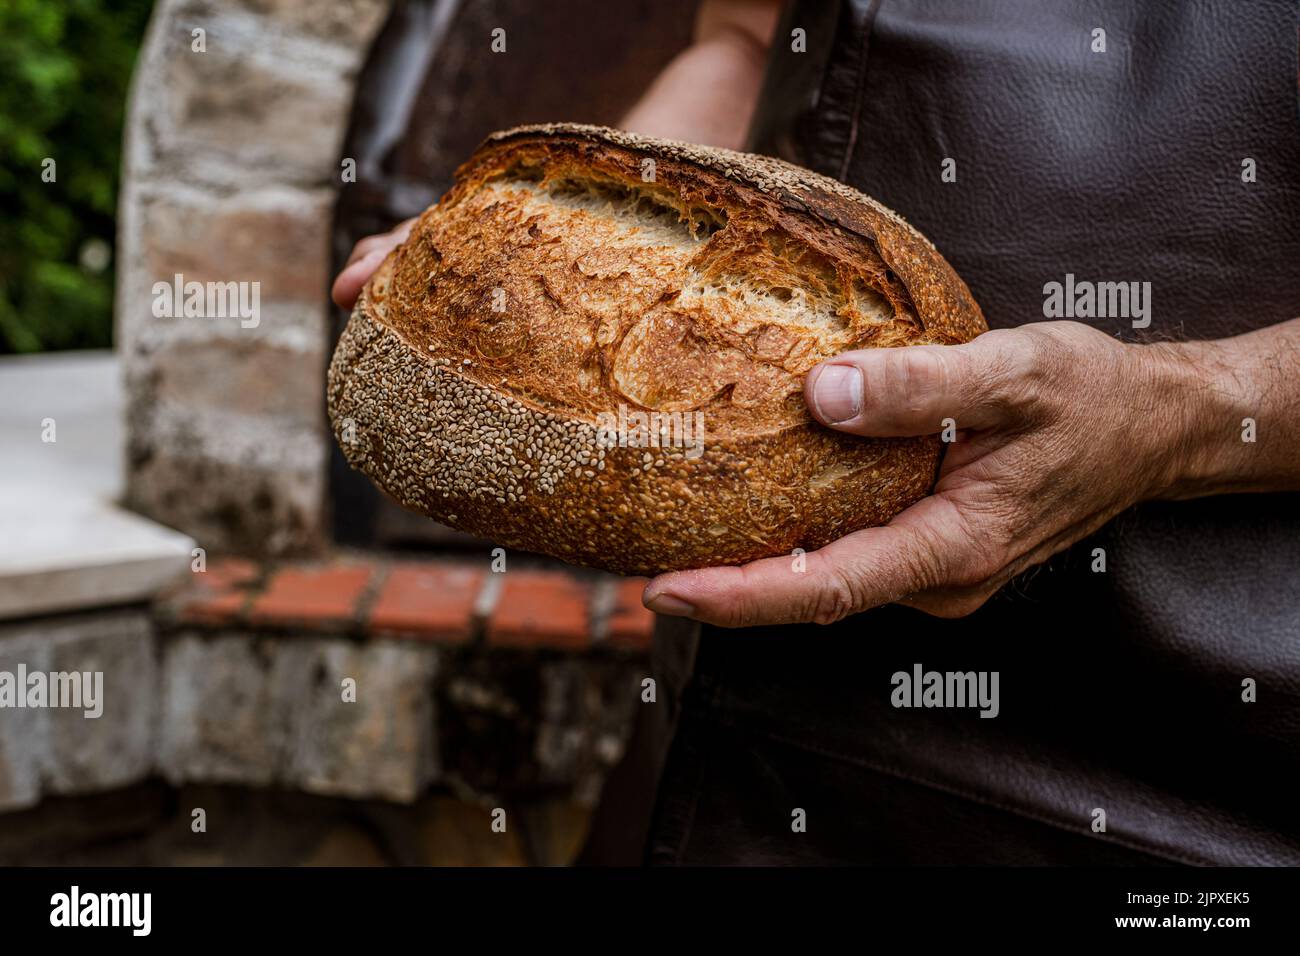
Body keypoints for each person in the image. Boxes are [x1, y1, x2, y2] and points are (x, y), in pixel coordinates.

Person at [335, 0, 1300, 864]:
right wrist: (556, 262)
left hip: (1199, 743)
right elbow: (746, 39)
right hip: (744, 685)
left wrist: (1180, 413)